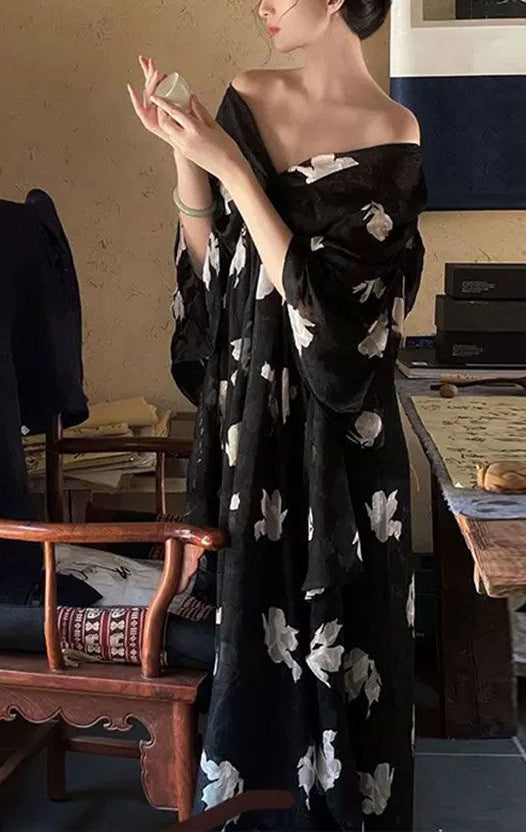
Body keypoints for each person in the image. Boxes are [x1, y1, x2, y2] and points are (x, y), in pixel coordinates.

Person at [128, 1, 427, 828]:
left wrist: (229, 165)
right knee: (253, 647)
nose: (262, 3)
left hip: (346, 442)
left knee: (350, 647)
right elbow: (214, 276)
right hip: (251, 432)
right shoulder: (249, 93)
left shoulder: (393, 133)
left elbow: (340, 333)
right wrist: (186, 150)